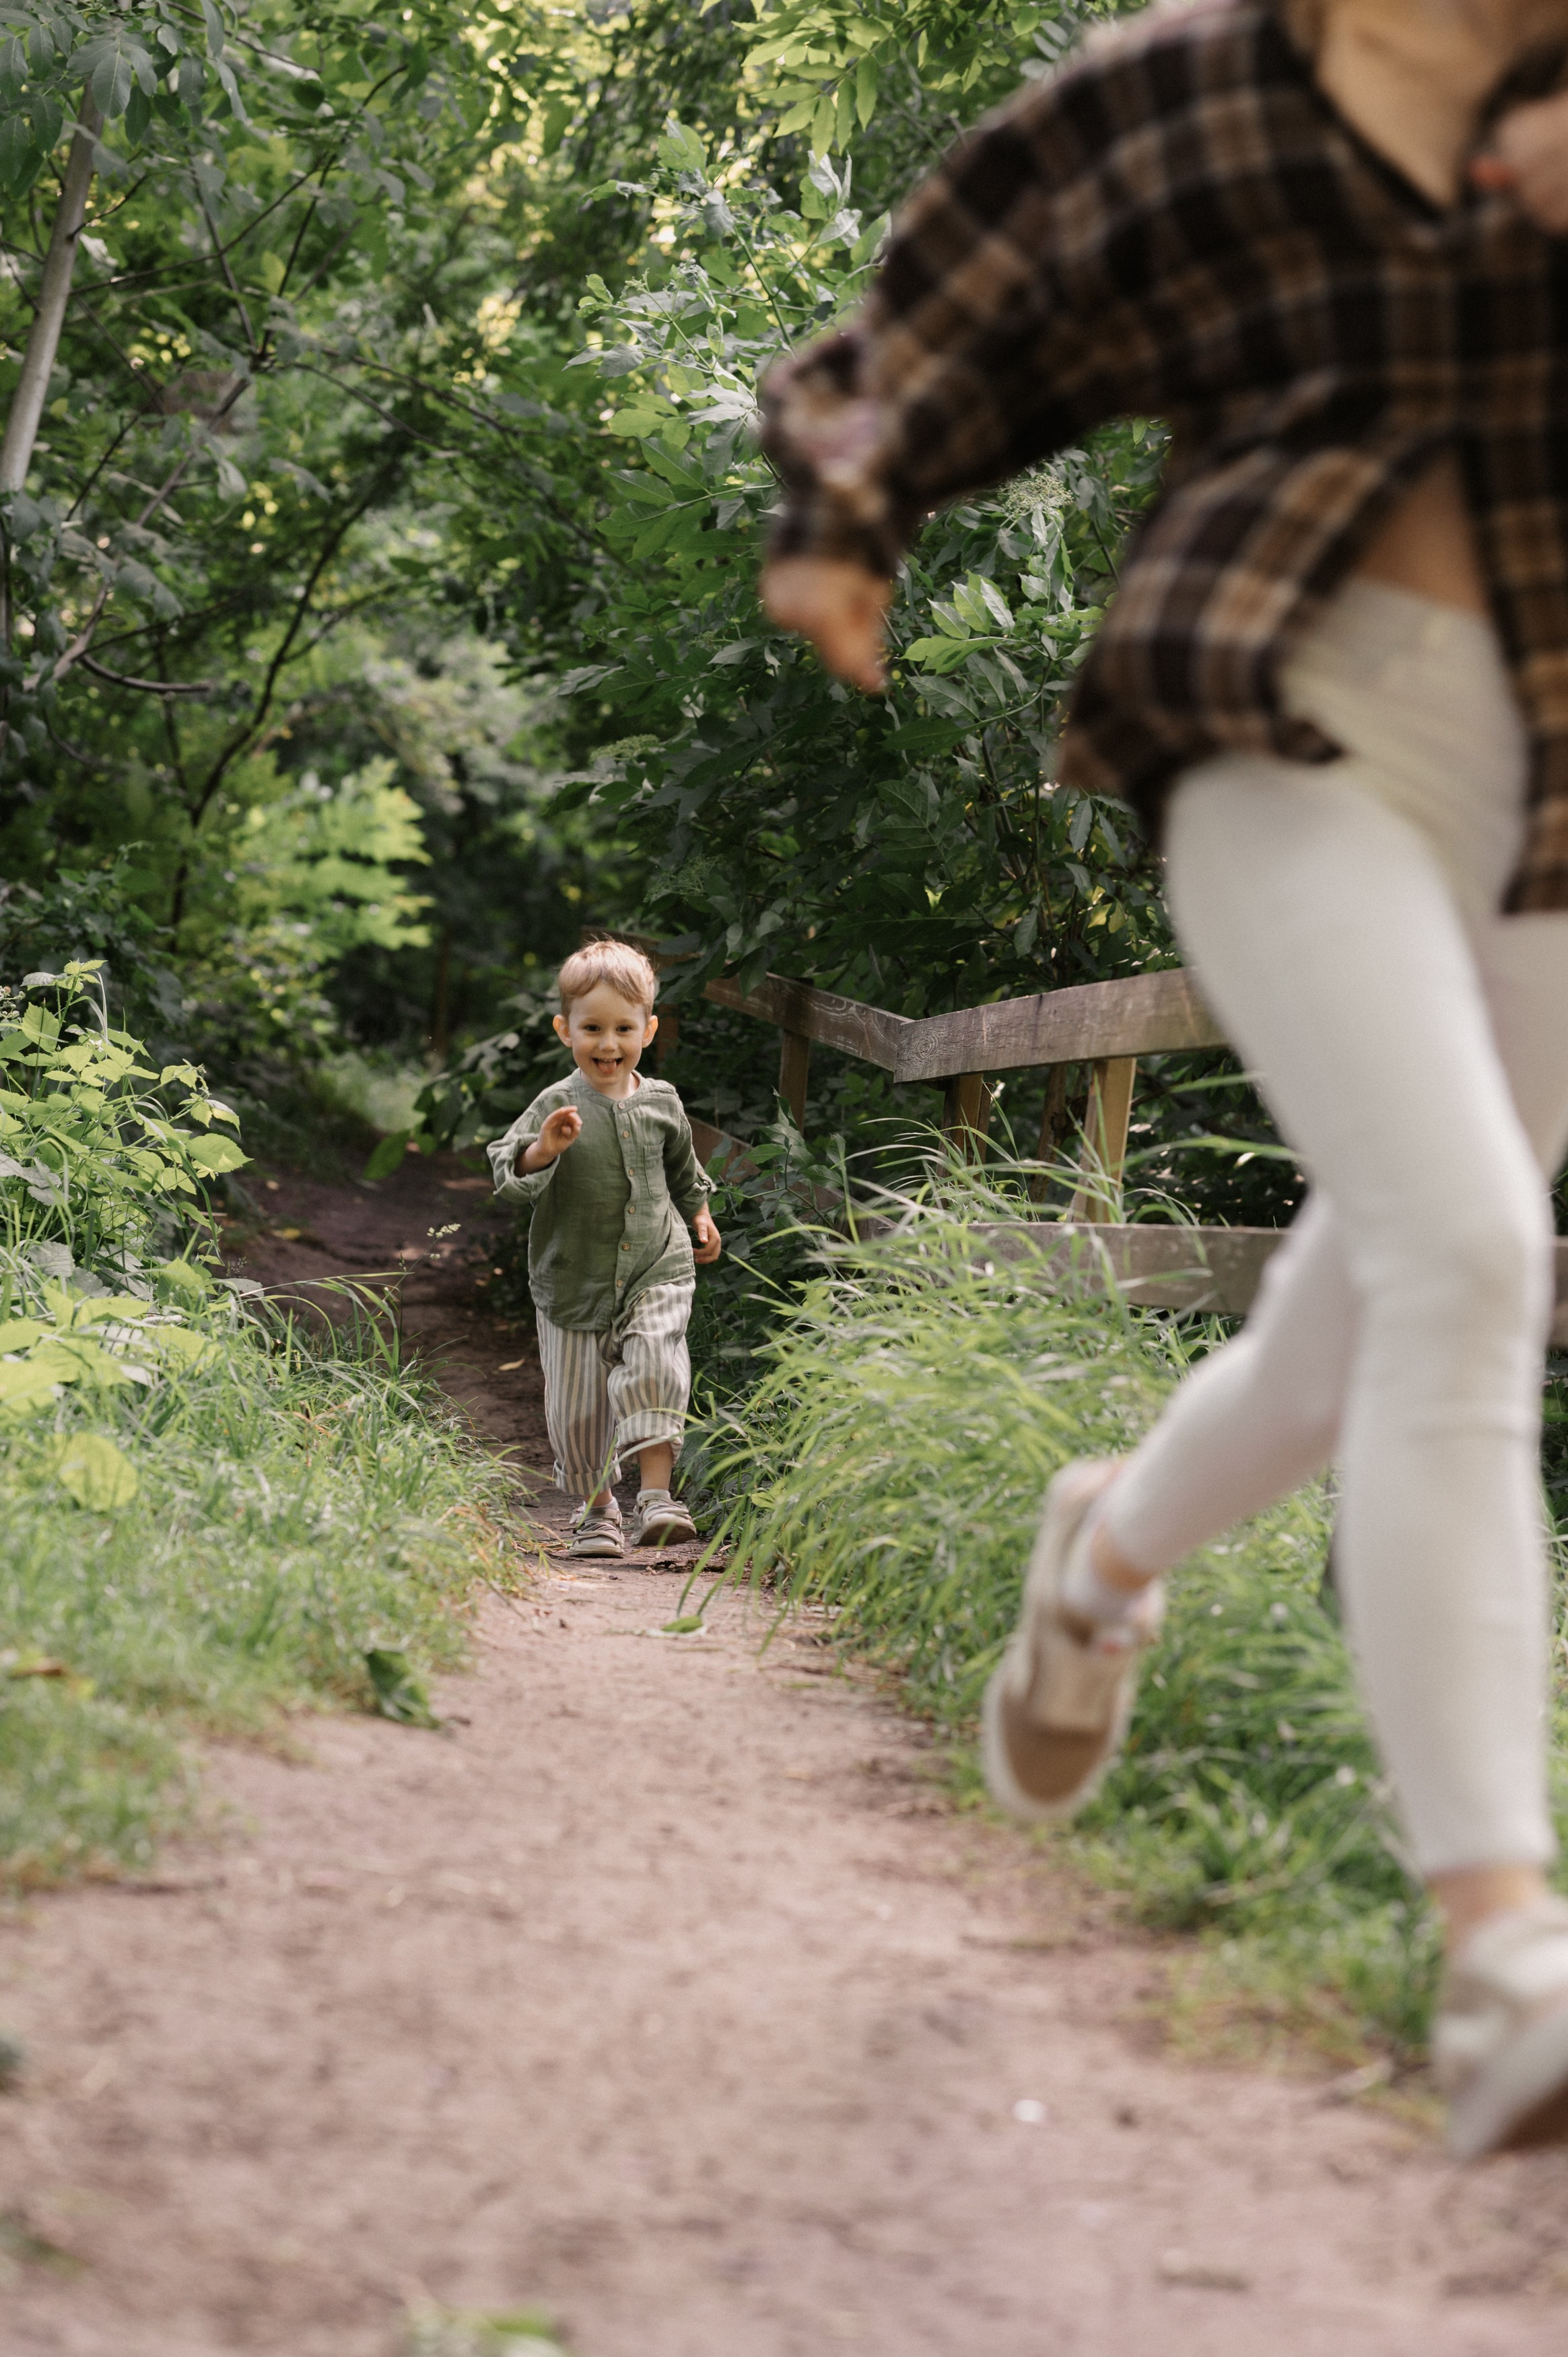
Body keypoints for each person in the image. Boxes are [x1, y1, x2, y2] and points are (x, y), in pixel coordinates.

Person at [759, 0, 1568, 2160]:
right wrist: (843, 510)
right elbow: (953, 298)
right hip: (1271, 721)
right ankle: (1503, 1955)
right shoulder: (1198, 94)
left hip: (1543, 786)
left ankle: (1098, 1555)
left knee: (1365, 1320)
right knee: (1470, 1252)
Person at [488, 941, 720, 1557]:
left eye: (623, 1029)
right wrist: (545, 1149)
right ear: (566, 1030)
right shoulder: (555, 1104)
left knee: (654, 1364)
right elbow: (508, 1170)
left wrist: (698, 1212)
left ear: (649, 1029)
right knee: (579, 1411)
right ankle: (596, 1514)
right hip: (572, 1279)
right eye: (592, 1028)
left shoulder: (662, 1102)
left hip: (656, 1265)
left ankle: (656, 1498)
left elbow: (683, 1168)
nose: (608, 1044)